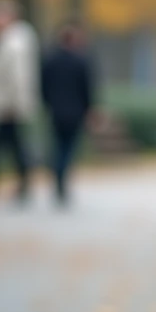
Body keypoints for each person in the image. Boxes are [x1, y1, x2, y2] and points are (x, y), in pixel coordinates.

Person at [0, 0, 39, 204]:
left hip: (7, 107)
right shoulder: (8, 40)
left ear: (9, 17)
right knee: (11, 145)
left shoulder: (13, 43)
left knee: (0, 146)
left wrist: (17, 105)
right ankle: (21, 181)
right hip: (7, 106)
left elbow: (18, 77)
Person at [40, 21, 96, 206]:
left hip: (55, 111)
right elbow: (87, 89)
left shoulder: (50, 60)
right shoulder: (81, 61)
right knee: (68, 148)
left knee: (57, 146)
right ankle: (61, 178)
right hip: (75, 113)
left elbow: (43, 86)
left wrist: (47, 104)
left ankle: (58, 175)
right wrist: (90, 109)